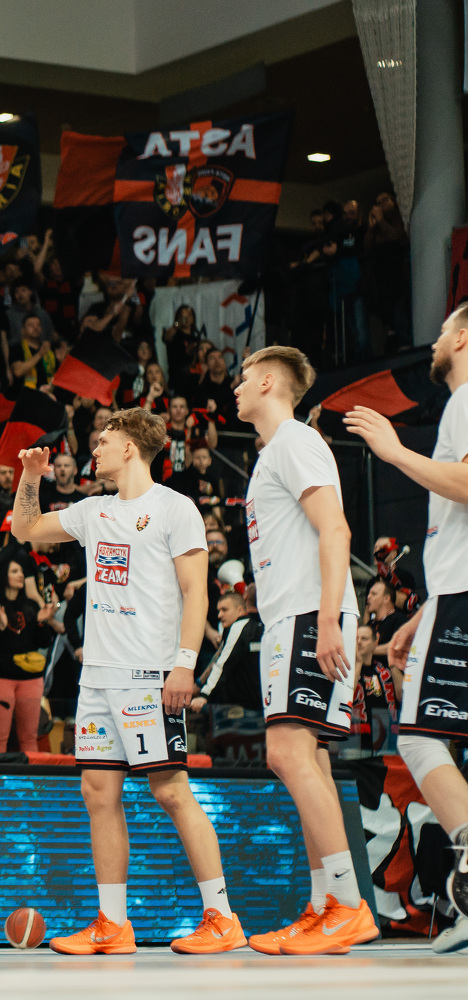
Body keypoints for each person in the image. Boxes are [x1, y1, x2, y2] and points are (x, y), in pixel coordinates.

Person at [11, 408, 245, 955]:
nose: (93, 451)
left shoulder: (175, 508)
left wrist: (184, 664)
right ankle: (113, 925)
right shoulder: (94, 510)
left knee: (170, 790)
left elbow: (196, 592)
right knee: (98, 792)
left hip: (149, 674)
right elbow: (26, 530)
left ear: (131, 449)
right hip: (97, 679)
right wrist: (29, 478)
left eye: (104, 441)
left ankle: (222, 917)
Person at [232, 346, 373, 954]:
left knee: (288, 753)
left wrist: (329, 617)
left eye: (243, 379)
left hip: (308, 616)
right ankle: (323, 908)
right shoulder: (275, 451)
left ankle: (347, 904)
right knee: (308, 757)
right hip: (292, 614)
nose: (236, 389)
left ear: (269, 381)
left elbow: (335, 528)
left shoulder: (293, 441)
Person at [345, 304, 468, 953]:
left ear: (464, 338)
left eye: (444, 331)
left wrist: (394, 451)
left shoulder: (467, 398)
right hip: (453, 596)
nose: (436, 341)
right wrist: (421, 615)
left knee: (419, 739)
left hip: (463, 597)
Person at [0, 557, 54, 753]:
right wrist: (0, 628)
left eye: (21, 571)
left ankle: (33, 774)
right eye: (14, 571)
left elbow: (43, 642)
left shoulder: (31, 605)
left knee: (30, 738)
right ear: (3, 575)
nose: (21, 575)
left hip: (30, 678)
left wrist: (41, 622)